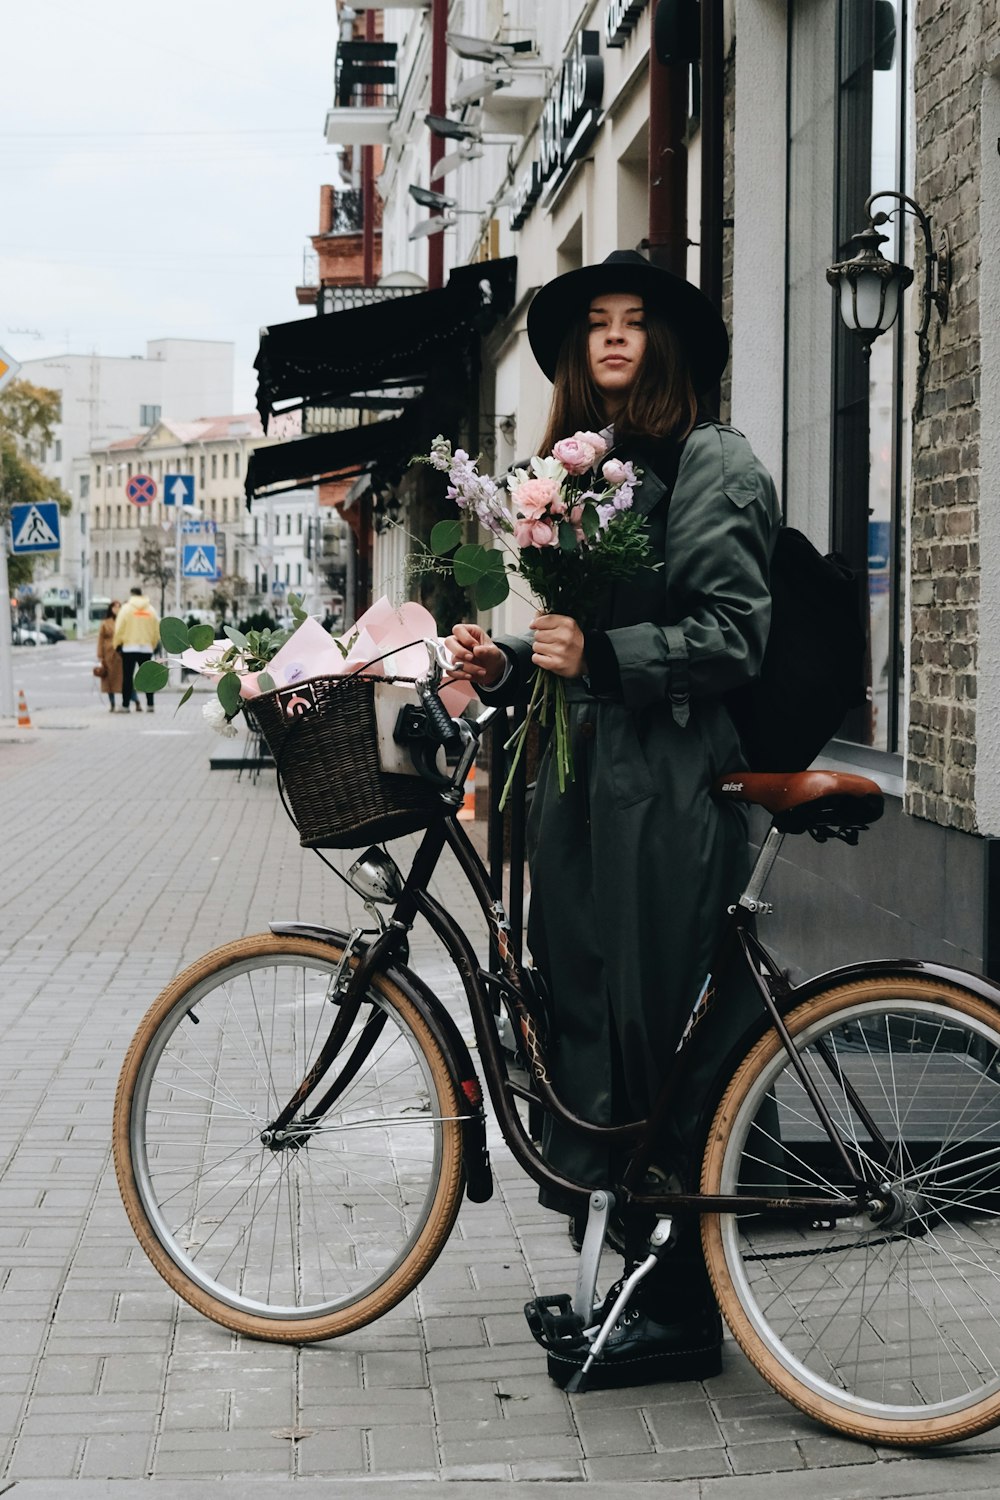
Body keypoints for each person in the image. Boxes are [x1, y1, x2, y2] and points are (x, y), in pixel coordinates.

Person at [445, 250, 781, 1388]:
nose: (616, 337)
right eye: (598, 323)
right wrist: (500, 665)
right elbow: (564, 653)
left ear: (667, 343)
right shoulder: (574, 476)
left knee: (664, 1038)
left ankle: (681, 1308)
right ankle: (633, 1275)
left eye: (637, 322)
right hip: (580, 794)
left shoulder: (710, 462)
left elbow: (735, 635)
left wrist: (608, 653)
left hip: (667, 789)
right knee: (587, 1023)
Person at [113, 586, 160, 713]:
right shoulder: (151, 610)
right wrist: (153, 645)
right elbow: (156, 630)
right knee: (148, 677)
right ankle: (150, 704)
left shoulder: (126, 609)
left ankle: (125, 705)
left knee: (127, 677)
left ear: (131, 595)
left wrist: (117, 644)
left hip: (129, 647)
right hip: (146, 648)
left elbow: (119, 628)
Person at [96, 600, 124, 711]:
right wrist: (100, 654)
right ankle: (112, 703)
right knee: (108, 680)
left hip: (120, 654)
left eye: (119, 607)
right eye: (114, 607)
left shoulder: (124, 621)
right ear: (110, 609)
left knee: (124, 679)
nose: (116, 609)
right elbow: (100, 639)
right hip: (108, 653)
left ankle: (131, 701)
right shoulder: (105, 623)